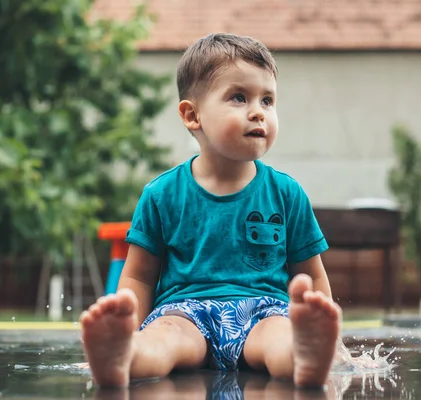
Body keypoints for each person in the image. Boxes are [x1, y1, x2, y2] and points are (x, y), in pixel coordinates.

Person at [80, 32, 341, 391]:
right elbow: (139, 277)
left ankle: (306, 356)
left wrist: (333, 339)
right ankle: (124, 355)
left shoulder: (287, 194)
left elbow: (312, 275)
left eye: (268, 100)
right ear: (192, 115)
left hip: (264, 312)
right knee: (164, 339)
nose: (257, 112)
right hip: (185, 311)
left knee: (280, 337)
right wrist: (133, 323)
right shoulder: (162, 195)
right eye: (239, 97)